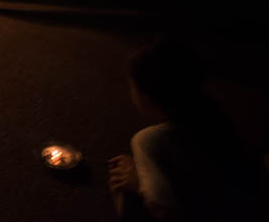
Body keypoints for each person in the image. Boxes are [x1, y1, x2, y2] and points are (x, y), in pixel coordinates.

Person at [108, 41, 262, 221]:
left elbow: (165, 210)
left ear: (145, 97)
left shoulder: (148, 140)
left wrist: (139, 183)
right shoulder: (215, 114)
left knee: (121, 183)